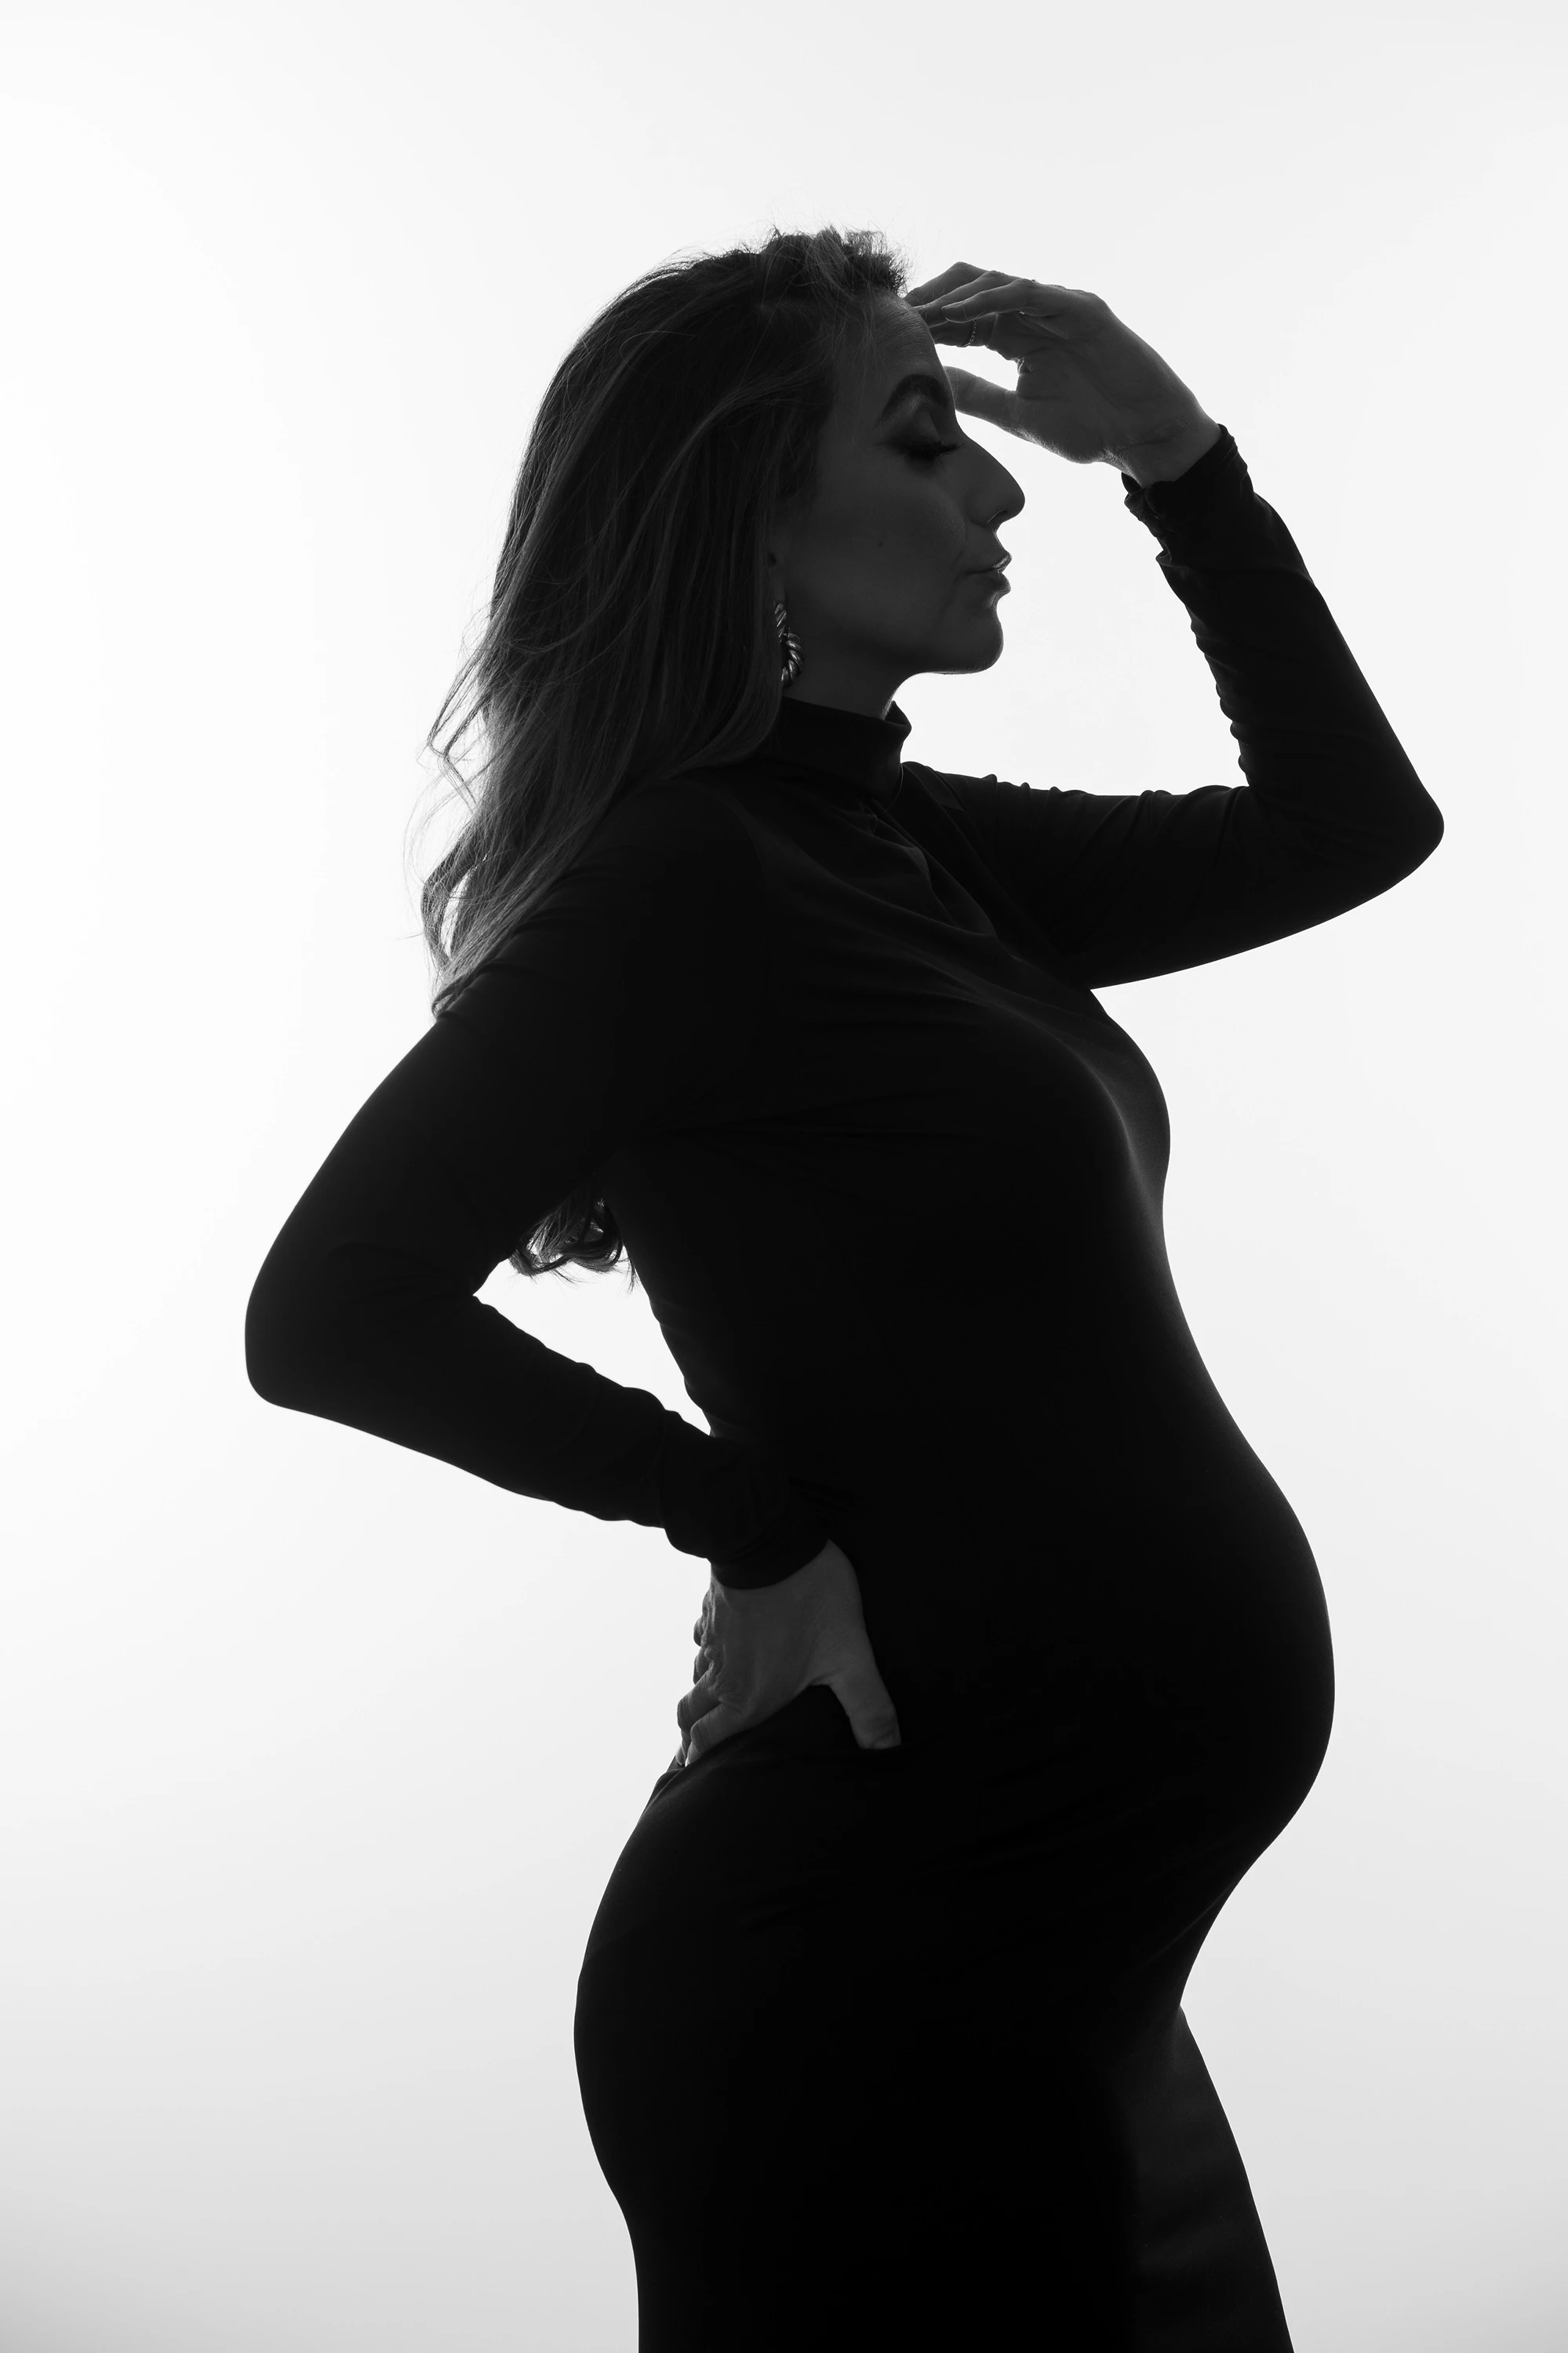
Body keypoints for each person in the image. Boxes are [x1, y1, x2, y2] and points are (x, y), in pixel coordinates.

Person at [245, 227, 1444, 2350]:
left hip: (1057, 1974)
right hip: (863, 1983)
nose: (994, 494)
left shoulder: (914, 850)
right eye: (921, 441)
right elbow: (332, 1309)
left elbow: (1348, 828)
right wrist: (748, 1519)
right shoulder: (681, 873)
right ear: (747, 521)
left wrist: (1175, 461)